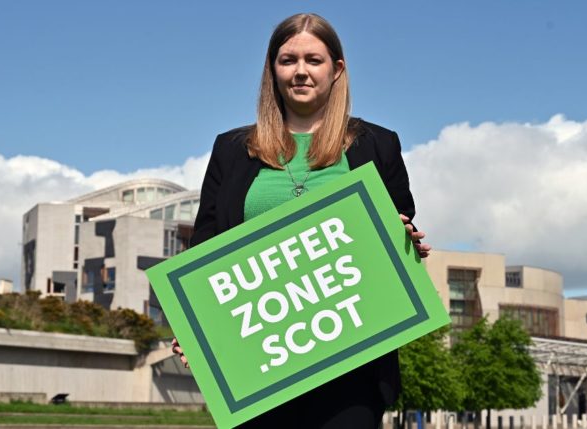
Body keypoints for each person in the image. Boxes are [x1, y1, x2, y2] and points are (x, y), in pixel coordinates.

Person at [172, 13, 430, 428]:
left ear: (336, 69)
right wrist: (192, 327)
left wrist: (407, 241)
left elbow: (396, 239)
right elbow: (204, 249)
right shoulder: (232, 150)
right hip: (258, 362)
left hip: (353, 365)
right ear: (272, 70)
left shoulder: (378, 145)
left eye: (314, 60)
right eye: (288, 60)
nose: (301, 72)